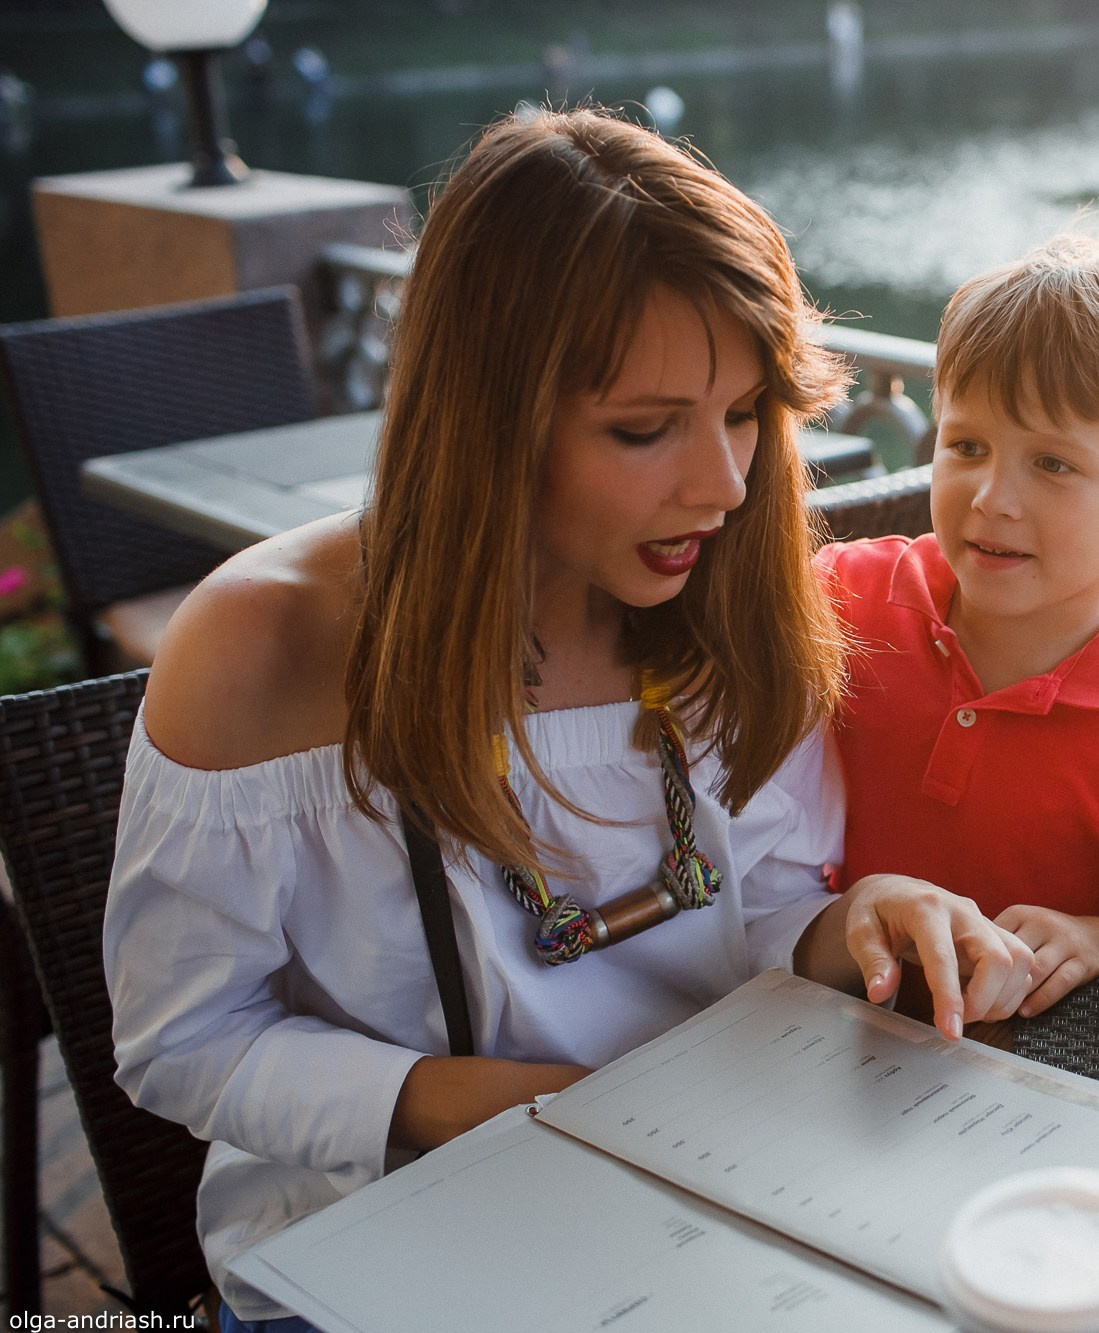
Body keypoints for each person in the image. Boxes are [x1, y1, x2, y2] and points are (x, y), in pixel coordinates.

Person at [104, 108, 1033, 1330]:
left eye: (746, 411)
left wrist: (855, 916)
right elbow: (183, 1041)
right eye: (645, 429)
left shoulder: (728, 602)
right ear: (488, 415)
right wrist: (472, 1103)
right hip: (382, 1244)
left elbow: (758, 908)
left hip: (708, 1210)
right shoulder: (261, 649)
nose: (727, 483)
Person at [816, 236, 1099, 1019]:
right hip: (828, 1031)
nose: (993, 496)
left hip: (1052, 1067)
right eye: (967, 445)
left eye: (1052, 464)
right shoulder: (847, 596)